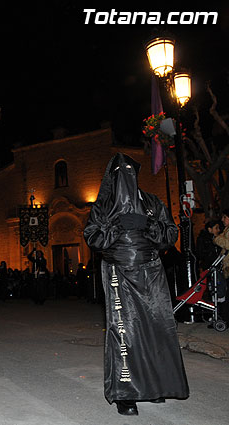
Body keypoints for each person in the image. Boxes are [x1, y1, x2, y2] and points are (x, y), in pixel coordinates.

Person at [83, 153, 189, 416]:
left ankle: (154, 386)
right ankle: (126, 394)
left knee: (156, 329)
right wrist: (117, 227)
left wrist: (149, 224)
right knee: (125, 331)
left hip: (151, 271)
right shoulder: (104, 206)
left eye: (131, 170)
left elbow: (170, 234)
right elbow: (93, 238)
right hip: (120, 272)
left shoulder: (151, 202)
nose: (127, 175)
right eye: (122, 171)